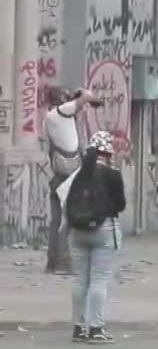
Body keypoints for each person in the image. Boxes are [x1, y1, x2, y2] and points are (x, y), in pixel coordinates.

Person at [66, 131, 126, 344]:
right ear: (108, 152)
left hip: (77, 231)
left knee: (80, 280)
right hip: (104, 230)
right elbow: (120, 205)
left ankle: (78, 328)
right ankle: (95, 328)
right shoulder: (112, 174)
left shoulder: (78, 173)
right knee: (99, 280)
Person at [44, 86, 98, 274]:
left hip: (58, 175)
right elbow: (88, 97)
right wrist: (83, 93)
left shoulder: (50, 116)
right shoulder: (60, 113)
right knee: (68, 221)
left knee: (56, 221)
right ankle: (63, 263)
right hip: (69, 176)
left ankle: (52, 262)